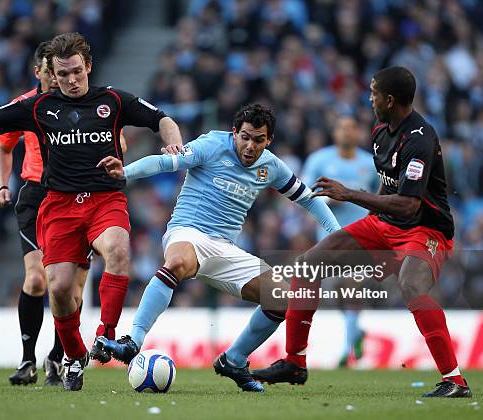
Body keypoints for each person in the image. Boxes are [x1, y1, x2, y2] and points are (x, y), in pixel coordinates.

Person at [0, 32, 183, 391]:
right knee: (58, 288)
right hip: (59, 206)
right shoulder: (39, 107)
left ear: (88, 66)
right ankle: (73, 355)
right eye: (62, 74)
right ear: (52, 73)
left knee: (118, 249)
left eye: (76, 72)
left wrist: (174, 143)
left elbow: (161, 119)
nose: (71, 80)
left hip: (104, 199)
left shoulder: (114, 100)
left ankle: (107, 335)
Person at [252, 67, 471, 398]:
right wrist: (366, 228)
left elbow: (410, 205)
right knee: (308, 266)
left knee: (411, 285)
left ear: (390, 99)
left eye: (374, 94)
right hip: (384, 224)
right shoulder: (381, 132)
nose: (370, 99)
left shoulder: (419, 139)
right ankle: (295, 362)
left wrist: (349, 193)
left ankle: (454, 380)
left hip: (426, 229)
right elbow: (387, 189)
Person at [95, 103, 340, 392]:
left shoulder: (271, 166)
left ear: (269, 140)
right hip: (188, 232)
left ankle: (234, 360)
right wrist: (125, 172)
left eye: (259, 140)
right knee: (176, 263)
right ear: (234, 132)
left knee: (282, 299)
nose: (250, 146)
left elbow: (309, 199)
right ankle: (133, 341)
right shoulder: (211, 144)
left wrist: (338, 235)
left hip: (226, 248)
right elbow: (164, 163)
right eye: (245, 137)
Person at [0, 41, 128, 386]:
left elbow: (117, 139)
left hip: (78, 195)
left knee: (72, 290)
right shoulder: (28, 106)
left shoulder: (86, 104)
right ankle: (27, 360)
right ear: (41, 72)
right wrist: (1, 184)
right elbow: (3, 145)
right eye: (54, 72)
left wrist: (114, 151)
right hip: (37, 195)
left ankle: (61, 357)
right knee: (38, 279)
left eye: (69, 72)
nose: (61, 79)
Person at [301, 114, 379, 367]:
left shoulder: (371, 163)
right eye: (342, 128)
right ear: (334, 133)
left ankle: (347, 351)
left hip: (361, 236)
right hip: (329, 238)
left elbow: (381, 196)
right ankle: (355, 333)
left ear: (358, 133)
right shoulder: (319, 160)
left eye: (351, 128)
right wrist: (327, 200)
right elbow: (303, 194)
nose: (347, 132)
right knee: (337, 293)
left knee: (352, 286)